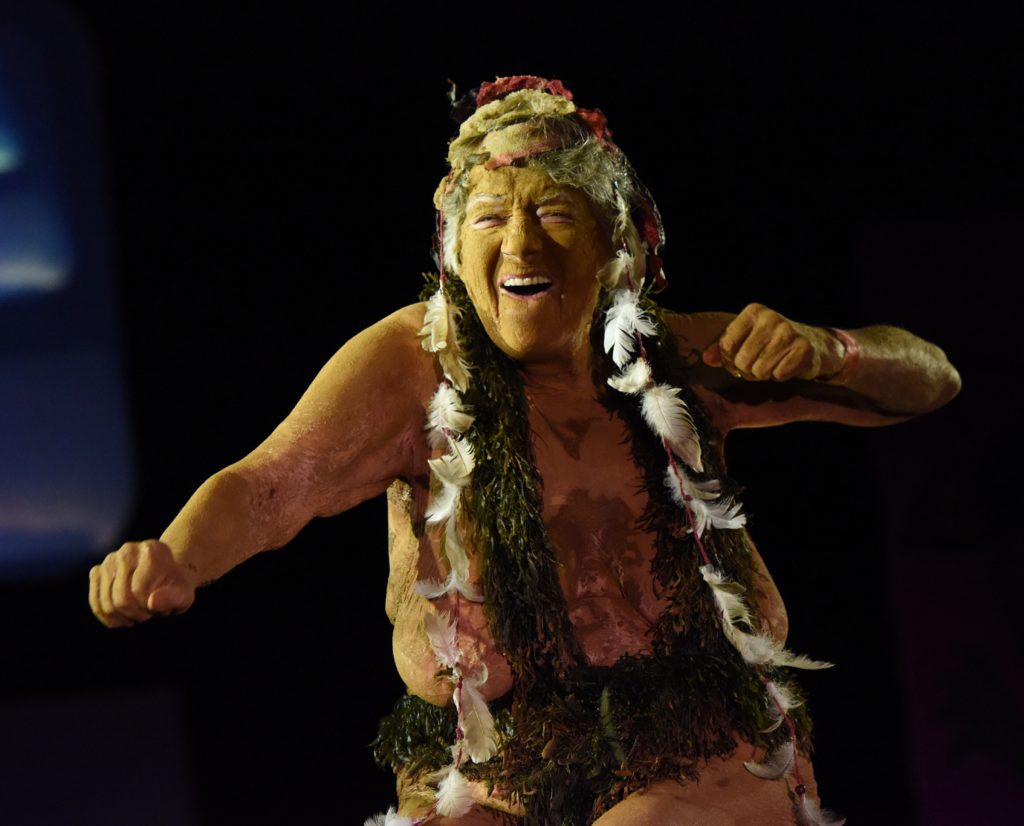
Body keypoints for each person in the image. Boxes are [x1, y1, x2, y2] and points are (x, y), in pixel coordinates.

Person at [89, 77, 960, 826]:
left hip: (695, 742)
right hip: (485, 759)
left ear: (616, 239)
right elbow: (273, 487)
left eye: (553, 212)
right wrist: (176, 556)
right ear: (450, 246)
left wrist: (829, 350)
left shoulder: (677, 357)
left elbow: (932, 380)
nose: (520, 244)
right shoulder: (408, 368)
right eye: (490, 217)